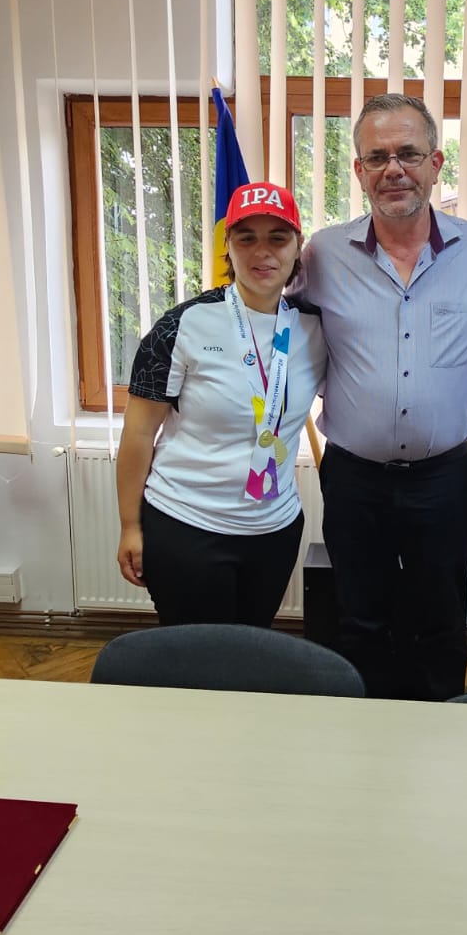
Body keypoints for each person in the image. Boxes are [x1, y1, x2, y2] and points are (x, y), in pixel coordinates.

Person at [295, 93, 467, 701]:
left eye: (408, 154)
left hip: (443, 477)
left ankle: (438, 735)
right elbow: (287, 331)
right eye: (377, 157)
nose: (393, 169)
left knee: (439, 621)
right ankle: (365, 738)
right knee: (359, 618)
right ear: (359, 170)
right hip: (354, 478)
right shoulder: (322, 254)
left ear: (436, 163)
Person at [115, 183, 326, 628]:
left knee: (249, 649)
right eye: (246, 238)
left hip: (273, 531)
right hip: (185, 525)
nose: (262, 251)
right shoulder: (182, 325)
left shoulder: (317, 329)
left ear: (298, 247)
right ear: (227, 245)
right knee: (195, 658)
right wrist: (130, 526)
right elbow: (138, 433)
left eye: (277, 238)